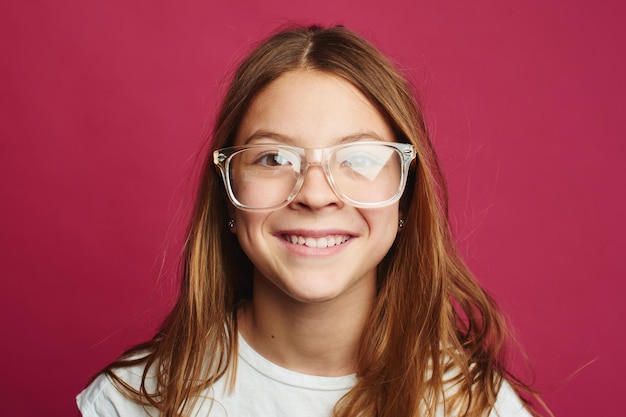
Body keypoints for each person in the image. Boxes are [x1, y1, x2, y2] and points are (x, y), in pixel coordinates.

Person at [77, 25, 544, 417]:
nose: (316, 195)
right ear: (228, 197)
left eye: (359, 157)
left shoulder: (476, 406)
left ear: (404, 196)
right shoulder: (130, 403)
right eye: (275, 158)